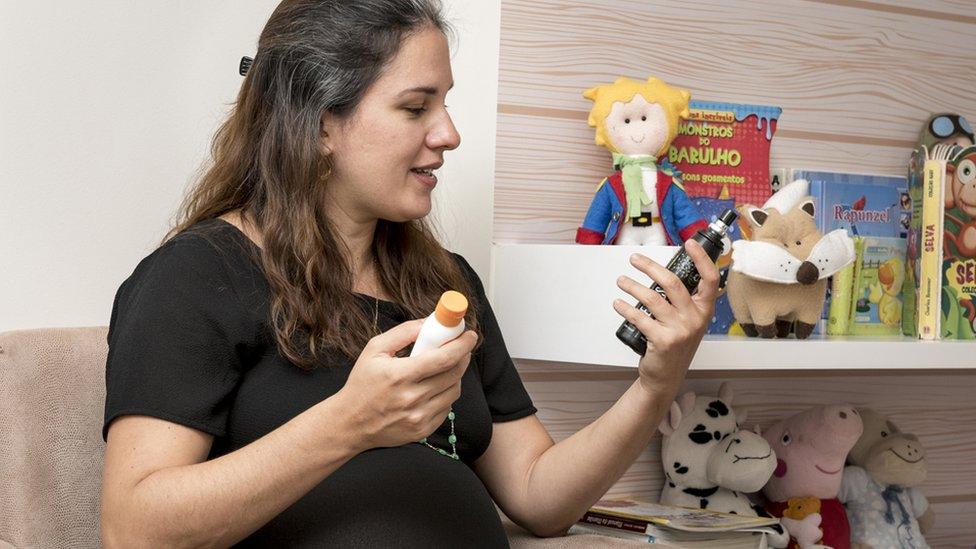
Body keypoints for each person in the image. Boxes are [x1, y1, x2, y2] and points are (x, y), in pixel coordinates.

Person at [99, 1, 720, 547]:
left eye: (444, 103)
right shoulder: (194, 277)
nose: (449, 134)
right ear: (318, 124)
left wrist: (655, 384)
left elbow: (539, 497)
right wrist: (349, 423)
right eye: (416, 106)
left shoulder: (445, 284)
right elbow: (134, 532)